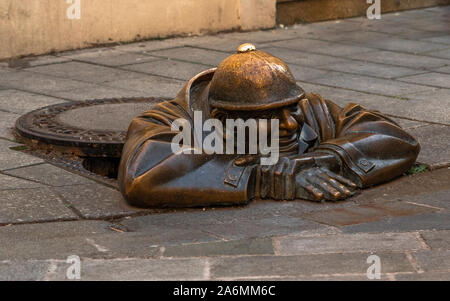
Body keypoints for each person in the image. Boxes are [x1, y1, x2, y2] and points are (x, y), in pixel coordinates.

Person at [118, 43, 420, 208]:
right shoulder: (171, 121)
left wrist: (321, 159)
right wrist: (261, 179)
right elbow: (140, 175)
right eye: (271, 118)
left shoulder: (308, 109)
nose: (290, 123)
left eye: (290, 110)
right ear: (225, 122)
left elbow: (395, 138)